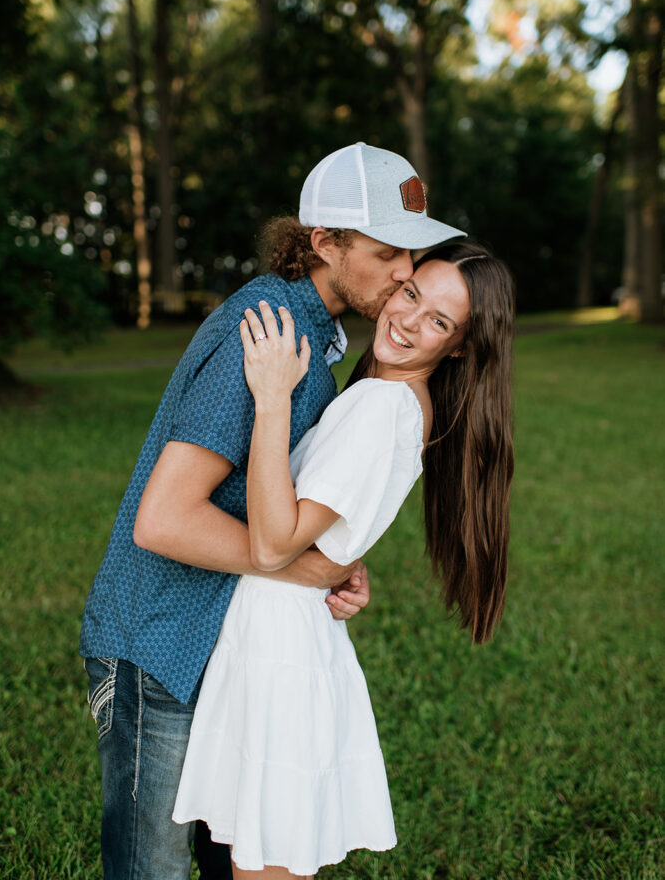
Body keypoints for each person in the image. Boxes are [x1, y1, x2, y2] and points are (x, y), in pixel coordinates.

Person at [80, 141, 465, 880]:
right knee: (150, 868)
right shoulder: (268, 331)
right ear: (325, 242)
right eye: (388, 254)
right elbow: (163, 520)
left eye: (411, 257)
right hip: (157, 643)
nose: (404, 276)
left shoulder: (322, 333)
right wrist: (305, 567)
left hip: (218, 640)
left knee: (233, 853)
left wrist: (326, 561)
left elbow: (293, 491)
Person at [172, 240, 515, 879]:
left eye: (440, 321)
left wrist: (273, 399)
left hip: (281, 655)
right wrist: (338, 562)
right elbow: (319, 535)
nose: (410, 320)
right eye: (412, 294)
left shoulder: (383, 406)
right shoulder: (389, 402)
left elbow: (276, 543)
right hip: (278, 641)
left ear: (461, 347)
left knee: (262, 861)